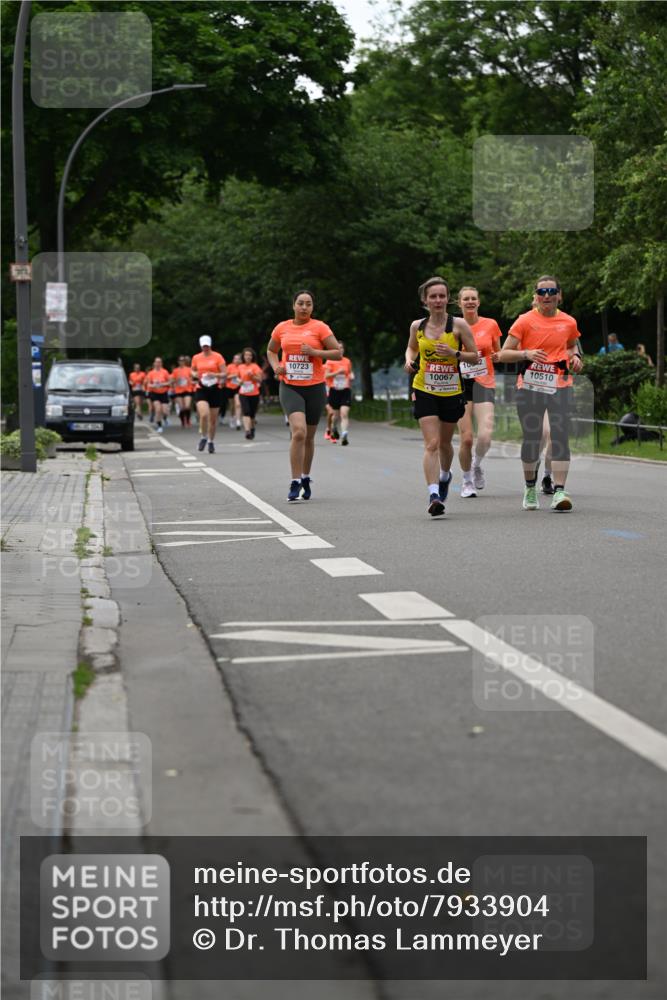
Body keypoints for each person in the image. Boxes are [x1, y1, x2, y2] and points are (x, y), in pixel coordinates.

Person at [495, 275, 583, 512]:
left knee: (561, 437)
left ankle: (560, 491)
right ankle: (530, 487)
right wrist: (526, 354)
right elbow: (503, 354)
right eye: (542, 292)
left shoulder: (568, 322)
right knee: (533, 439)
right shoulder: (524, 321)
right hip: (530, 387)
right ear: (535, 295)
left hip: (560, 385)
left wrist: (576, 357)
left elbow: (573, 345)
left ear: (559, 295)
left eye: (551, 291)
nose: (547, 296)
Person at [404, 276, 479, 517]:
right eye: (433, 296)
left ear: (448, 299)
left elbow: (475, 356)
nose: (438, 300)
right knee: (432, 444)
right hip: (424, 388)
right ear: (425, 300)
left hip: (452, 391)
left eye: (442, 296)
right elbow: (412, 348)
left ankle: (445, 475)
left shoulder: (458, 326)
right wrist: (408, 360)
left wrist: (454, 353)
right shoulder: (417, 326)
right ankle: (434, 494)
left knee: (446, 444)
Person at [267, 290, 342, 501]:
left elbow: (337, 352)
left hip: (315, 386)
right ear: (293, 305)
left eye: (308, 304)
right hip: (290, 385)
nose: (304, 307)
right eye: (300, 303)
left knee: (309, 437)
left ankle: (306, 477)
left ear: (312, 307)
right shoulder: (282, 327)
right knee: (298, 432)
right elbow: (271, 350)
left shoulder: (320, 327)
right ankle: (294, 481)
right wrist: (276, 367)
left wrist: (316, 353)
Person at [456, 287, 502, 496]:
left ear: (479, 302)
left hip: (484, 382)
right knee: (466, 438)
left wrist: (497, 357)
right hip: (459, 385)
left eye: (473, 298)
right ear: (459, 303)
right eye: (466, 299)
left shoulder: (490, 324)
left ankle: (476, 464)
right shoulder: (452, 326)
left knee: (485, 436)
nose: (470, 302)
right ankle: (466, 481)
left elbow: (498, 352)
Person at [191, 335, 227, 453]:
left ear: (210, 345)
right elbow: (193, 370)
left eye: (207, 346)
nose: (205, 348)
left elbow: (224, 373)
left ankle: (211, 441)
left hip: (215, 388)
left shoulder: (218, 356)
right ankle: (203, 437)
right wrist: (195, 374)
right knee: (204, 414)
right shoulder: (196, 357)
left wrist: (214, 375)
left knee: (212, 420)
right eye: (203, 346)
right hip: (201, 388)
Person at [324, 340, 355, 445]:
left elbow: (350, 372)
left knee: (344, 413)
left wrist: (351, 376)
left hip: (345, 390)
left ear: (343, 350)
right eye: (338, 348)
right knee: (335, 415)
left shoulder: (347, 361)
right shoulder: (330, 361)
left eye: (341, 348)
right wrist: (337, 372)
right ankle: (334, 428)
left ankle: (344, 434)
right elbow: (326, 376)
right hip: (334, 390)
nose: (340, 350)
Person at [237, 347, 264, 439]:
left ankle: (252, 429)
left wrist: (252, 376)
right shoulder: (240, 367)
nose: (248, 357)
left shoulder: (255, 367)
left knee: (252, 414)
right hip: (243, 392)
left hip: (254, 393)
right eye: (246, 355)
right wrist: (239, 381)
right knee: (246, 412)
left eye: (250, 355)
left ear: (252, 357)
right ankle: (247, 431)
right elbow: (236, 378)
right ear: (243, 357)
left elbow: (260, 380)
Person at [145, 357, 171, 433]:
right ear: (154, 363)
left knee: (165, 411)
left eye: (159, 362)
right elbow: (149, 384)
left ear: (161, 363)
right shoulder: (151, 373)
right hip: (155, 393)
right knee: (158, 409)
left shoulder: (165, 372)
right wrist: (154, 385)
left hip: (163, 393)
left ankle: (165, 418)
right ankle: (159, 426)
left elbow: (169, 382)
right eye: (157, 362)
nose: (158, 363)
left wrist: (162, 384)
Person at [171, 356, 194, 427]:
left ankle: (187, 420)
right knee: (181, 408)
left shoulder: (189, 369)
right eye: (180, 360)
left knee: (187, 406)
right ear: (178, 362)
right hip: (178, 391)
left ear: (185, 362)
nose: (182, 362)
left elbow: (192, 378)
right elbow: (172, 381)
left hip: (187, 390)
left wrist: (190, 380)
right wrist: (176, 381)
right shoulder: (175, 371)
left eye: (183, 360)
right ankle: (182, 421)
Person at [224, 353, 243, 429]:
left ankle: (238, 420)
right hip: (230, 387)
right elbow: (225, 377)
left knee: (238, 404)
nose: (237, 360)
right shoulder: (229, 366)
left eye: (238, 359)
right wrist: (233, 376)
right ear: (233, 360)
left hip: (239, 387)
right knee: (232, 406)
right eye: (235, 359)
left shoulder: (242, 367)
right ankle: (232, 418)